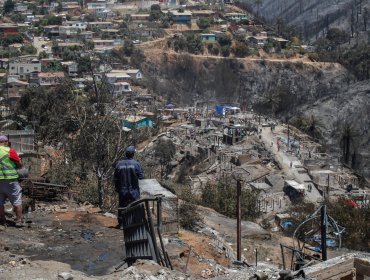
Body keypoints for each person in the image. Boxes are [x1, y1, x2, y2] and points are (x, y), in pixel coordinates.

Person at [114, 146, 144, 229]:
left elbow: (115, 178)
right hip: (133, 190)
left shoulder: (119, 164)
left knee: (122, 207)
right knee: (136, 206)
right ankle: (136, 224)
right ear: (133, 154)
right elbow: (141, 176)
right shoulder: (136, 164)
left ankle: (121, 224)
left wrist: (117, 188)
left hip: (122, 190)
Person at [0, 135, 23, 229]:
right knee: (17, 200)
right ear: (5, 142)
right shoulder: (10, 151)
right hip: (11, 180)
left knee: (0, 202)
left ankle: (2, 221)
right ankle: (18, 221)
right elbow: (20, 165)